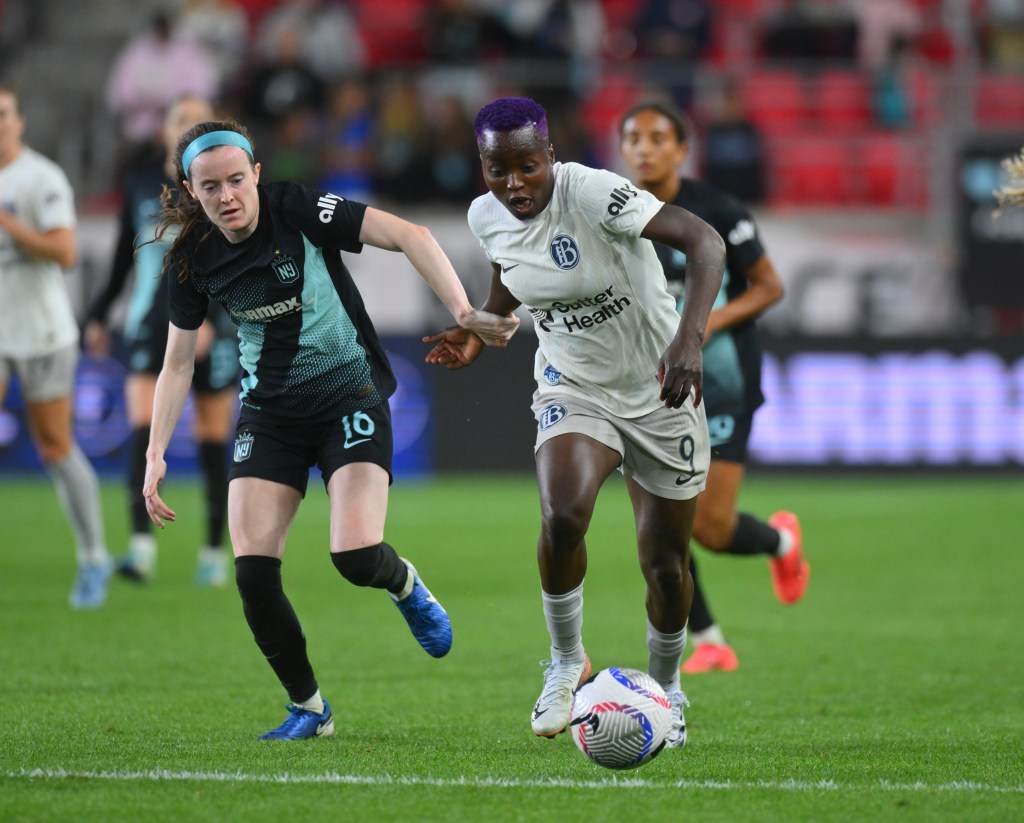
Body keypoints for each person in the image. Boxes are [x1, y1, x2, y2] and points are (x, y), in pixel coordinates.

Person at [141, 118, 519, 740]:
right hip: (270, 417)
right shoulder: (192, 259)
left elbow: (409, 234)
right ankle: (310, 709)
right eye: (210, 187)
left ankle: (404, 583)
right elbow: (178, 360)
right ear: (191, 188)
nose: (227, 196)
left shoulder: (296, 207)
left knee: (354, 556)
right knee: (253, 574)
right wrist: (155, 454)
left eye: (237, 180)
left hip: (350, 397)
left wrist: (465, 313)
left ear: (257, 174)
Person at [425, 97, 726, 747]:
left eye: (526, 167)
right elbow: (513, 271)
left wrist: (690, 340)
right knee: (562, 514)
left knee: (666, 564)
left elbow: (706, 242)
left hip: (659, 387)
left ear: (550, 158)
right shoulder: (487, 217)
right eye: (496, 170)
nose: (513, 184)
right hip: (573, 383)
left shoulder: (594, 193)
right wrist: (484, 327)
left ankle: (668, 689)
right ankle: (566, 662)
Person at [618, 101, 810, 674]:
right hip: (646, 387)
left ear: (682, 149)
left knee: (712, 527)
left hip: (721, 383)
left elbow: (768, 287)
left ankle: (780, 544)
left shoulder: (717, 210)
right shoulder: (612, 210)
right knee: (658, 521)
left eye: (658, 138)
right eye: (633, 138)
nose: (644, 148)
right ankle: (710, 642)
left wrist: (696, 331)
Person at [85, 95, 238, 587]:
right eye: (178, 119)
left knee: (213, 438)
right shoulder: (140, 185)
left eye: (197, 119)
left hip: (214, 320)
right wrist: (98, 314)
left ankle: (215, 551)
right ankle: (141, 548)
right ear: (163, 130)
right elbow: (124, 256)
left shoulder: (225, 187)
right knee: (142, 429)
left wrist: (213, 315)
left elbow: (239, 257)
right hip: (152, 318)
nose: (186, 127)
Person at [0, 83, 112, 608]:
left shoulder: (40, 178)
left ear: (19, 120)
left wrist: (5, 221)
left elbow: (65, 250)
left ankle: (93, 557)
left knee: (54, 445)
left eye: (2, 114)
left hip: (42, 331)